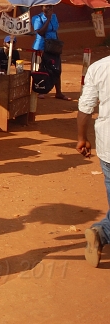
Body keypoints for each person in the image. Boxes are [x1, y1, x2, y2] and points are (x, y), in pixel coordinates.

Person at [76, 55, 110, 267]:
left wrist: (81, 138)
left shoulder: (99, 67)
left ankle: (101, 232)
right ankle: (102, 232)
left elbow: (85, 108)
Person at [31, 5, 71, 100]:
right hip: (41, 47)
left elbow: (55, 29)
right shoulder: (37, 18)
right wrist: (48, 19)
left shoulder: (54, 16)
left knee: (56, 69)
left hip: (54, 47)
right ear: (42, 8)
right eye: (47, 7)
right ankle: (40, 90)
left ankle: (59, 92)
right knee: (41, 69)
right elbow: (40, 32)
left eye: (51, 7)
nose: (49, 9)